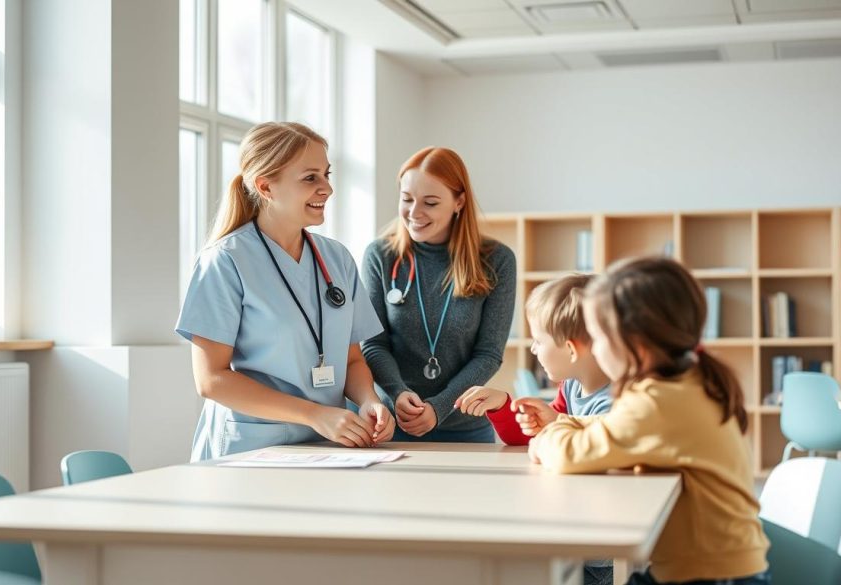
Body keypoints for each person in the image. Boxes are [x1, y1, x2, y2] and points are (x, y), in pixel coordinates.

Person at [528, 257, 770, 585]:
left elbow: (570, 455)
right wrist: (568, 422)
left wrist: (548, 433)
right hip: (718, 566)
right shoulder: (686, 382)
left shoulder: (657, 402)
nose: (595, 352)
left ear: (635, 347)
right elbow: (610, 427)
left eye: (599, 340)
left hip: (709, 576)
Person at [177, 122, 395, 461]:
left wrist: (369, 400)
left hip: (327, 447)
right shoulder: (225, 261)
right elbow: (211, 379)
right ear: (266, 186)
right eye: (310, 178)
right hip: (249, 450)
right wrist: (315, 414)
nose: (327, 189)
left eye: (327, 174)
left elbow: (352, 359)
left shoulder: (336, 259)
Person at [456, 273, 614, 585]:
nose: (532, 350)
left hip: (596, 544)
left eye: (539, 341)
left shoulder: (614, 400)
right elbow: (532, 437)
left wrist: (555, 426)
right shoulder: (571, 387)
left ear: (570, 349)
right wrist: (504, 406)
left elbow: (599, 451)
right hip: (567, 532)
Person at [361, 147, 515, 442]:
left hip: (465, 428)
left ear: (459, 202)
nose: (414, 213)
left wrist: (440, 406)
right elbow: (373, 344)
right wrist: (398, 393)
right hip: (391, 425)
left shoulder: (497, 260)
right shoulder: (380, 255)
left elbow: (489, 354)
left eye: (430, 203)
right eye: (406, 199)